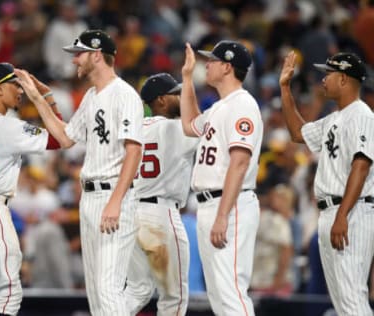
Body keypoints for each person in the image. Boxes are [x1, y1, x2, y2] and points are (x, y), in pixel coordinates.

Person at [14, 29, 144, 315]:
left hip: (113, 196)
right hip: (90, 198)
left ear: (97, 55)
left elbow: (134, 152)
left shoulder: (125, 95)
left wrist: (116, 201)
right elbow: (65, 138)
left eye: (79, 54)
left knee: (109, 289)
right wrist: (38, 97)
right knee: (97, 292)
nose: (75, 61)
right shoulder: (91, 96)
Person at [279, 51, 374, 315]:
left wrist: (342, 215)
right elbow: (298, 133)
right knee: (343, 303)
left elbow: (361, 165)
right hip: (331, 212)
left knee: (353, 298)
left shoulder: (362, 116)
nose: (323, 80)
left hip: (351, 213)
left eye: (328, 74)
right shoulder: (335, 118)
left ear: (343, 79)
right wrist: (285, 88)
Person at [0, 63, 62, 316]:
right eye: (15, 85)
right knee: (8, 292)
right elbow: (61, 137)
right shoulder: (8, 125)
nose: (20, 90)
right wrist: (46, 97)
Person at [180, 40, 263, 315]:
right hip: (211, 204)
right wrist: (187, 78)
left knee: (231, 292)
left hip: (231, 204)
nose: (207, 64)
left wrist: (223, 215)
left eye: (212, 60)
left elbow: (239, 163)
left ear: (227, 67)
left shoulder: (243, 105)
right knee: (218, 295)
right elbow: (190, 125)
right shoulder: (219, 106)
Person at [124, 73, 199, 315]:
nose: (181, 97)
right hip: (162, 215)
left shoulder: (131, 131)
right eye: (175, 93)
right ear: (161, 100)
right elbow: (201, 125)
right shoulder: (177, 129)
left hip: (132, 214)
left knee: (137, 289)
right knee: (174, 297)